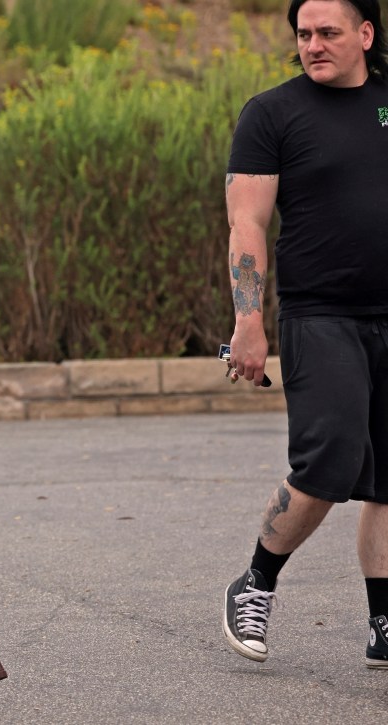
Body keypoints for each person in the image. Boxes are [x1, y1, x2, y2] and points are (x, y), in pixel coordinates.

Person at [222, 0, 388, 668]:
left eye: (328, 32)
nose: (313, 44)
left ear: (366, 35)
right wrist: (249, 321)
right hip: (321, 313)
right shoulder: (272, 113)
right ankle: (256, 579)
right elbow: (248, 224)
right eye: (303, 34)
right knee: (328, 460)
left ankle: (385, 619)